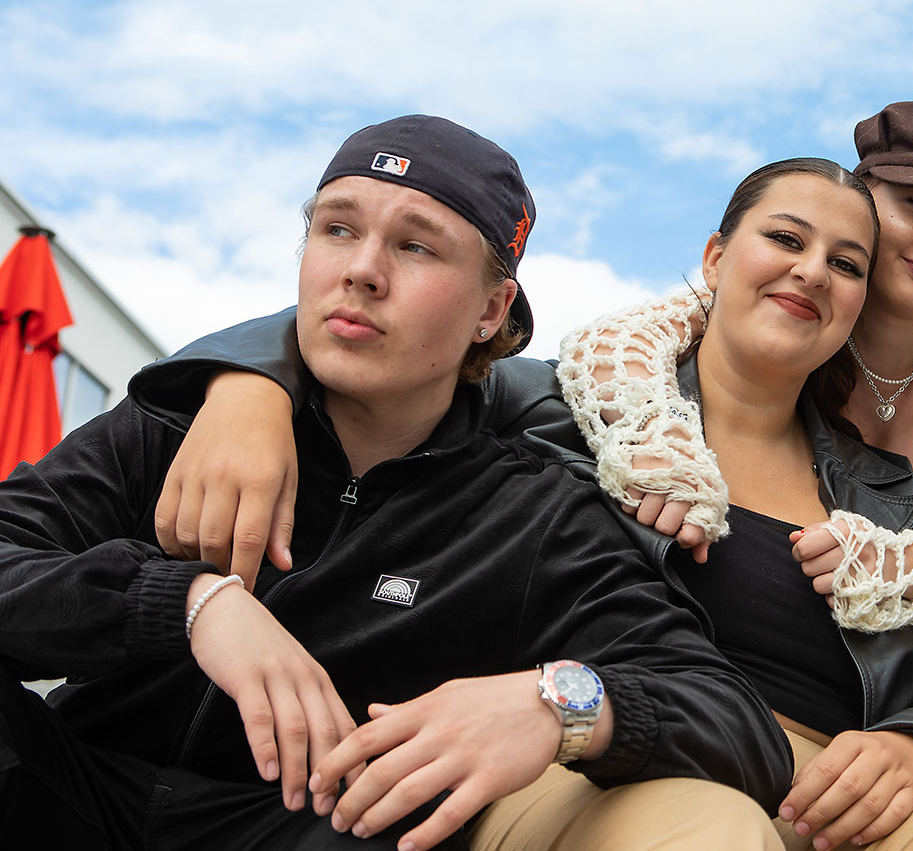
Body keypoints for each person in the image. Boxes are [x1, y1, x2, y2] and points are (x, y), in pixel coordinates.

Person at [129, 155, 913, 849]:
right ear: (713, 258)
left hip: (833, 790)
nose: (810, 273)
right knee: (709, 833)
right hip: (603, 747)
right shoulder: (560, 406)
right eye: (784, 239)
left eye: (846, 264)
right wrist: (246, 384)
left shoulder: (889, 502)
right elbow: (388, 340)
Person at [0, 115, 792, 850]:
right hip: (69, 791)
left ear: (492, 310)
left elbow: (737, 724)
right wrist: (185, 603)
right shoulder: (180, 425)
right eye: (337, 229)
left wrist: (558, 702)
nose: (362, 272)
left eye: (416, 247)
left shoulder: (531, 514)